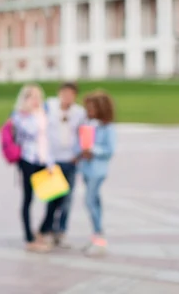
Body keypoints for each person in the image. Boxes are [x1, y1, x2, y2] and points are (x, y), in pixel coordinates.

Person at [37, 82, 86, 248]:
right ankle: (47, 229)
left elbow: (83, 134)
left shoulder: (79, 112)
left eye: (71, 94)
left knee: (67, 198)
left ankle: (61, 231)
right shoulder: (49, 106)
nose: (67, 97)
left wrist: (78, 154)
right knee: (52, 197)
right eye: (64, 93)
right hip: (52, 160)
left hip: (70, 160)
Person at [11, 83, 55, 253]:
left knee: (55, 195)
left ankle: (43, 229)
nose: (36, 100)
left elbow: (46, 139)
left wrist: (50, 163)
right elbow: (28, 133)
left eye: (38, 97)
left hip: (43, 160)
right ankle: (29, 238)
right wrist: (29, 113)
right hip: (27, 159)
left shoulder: (43, 114)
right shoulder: (20, 115)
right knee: (28, 198)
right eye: (32, 97)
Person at [79, 90, 116, 257]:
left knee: (89, 200)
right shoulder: (88, 123)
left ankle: (99, 233)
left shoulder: (107, 127)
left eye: (92, 107)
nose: (89, 110)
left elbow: (110, 150)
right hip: (86, 167)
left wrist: (93, 150)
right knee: (95, 200)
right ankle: (96, 235)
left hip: (98, 169)